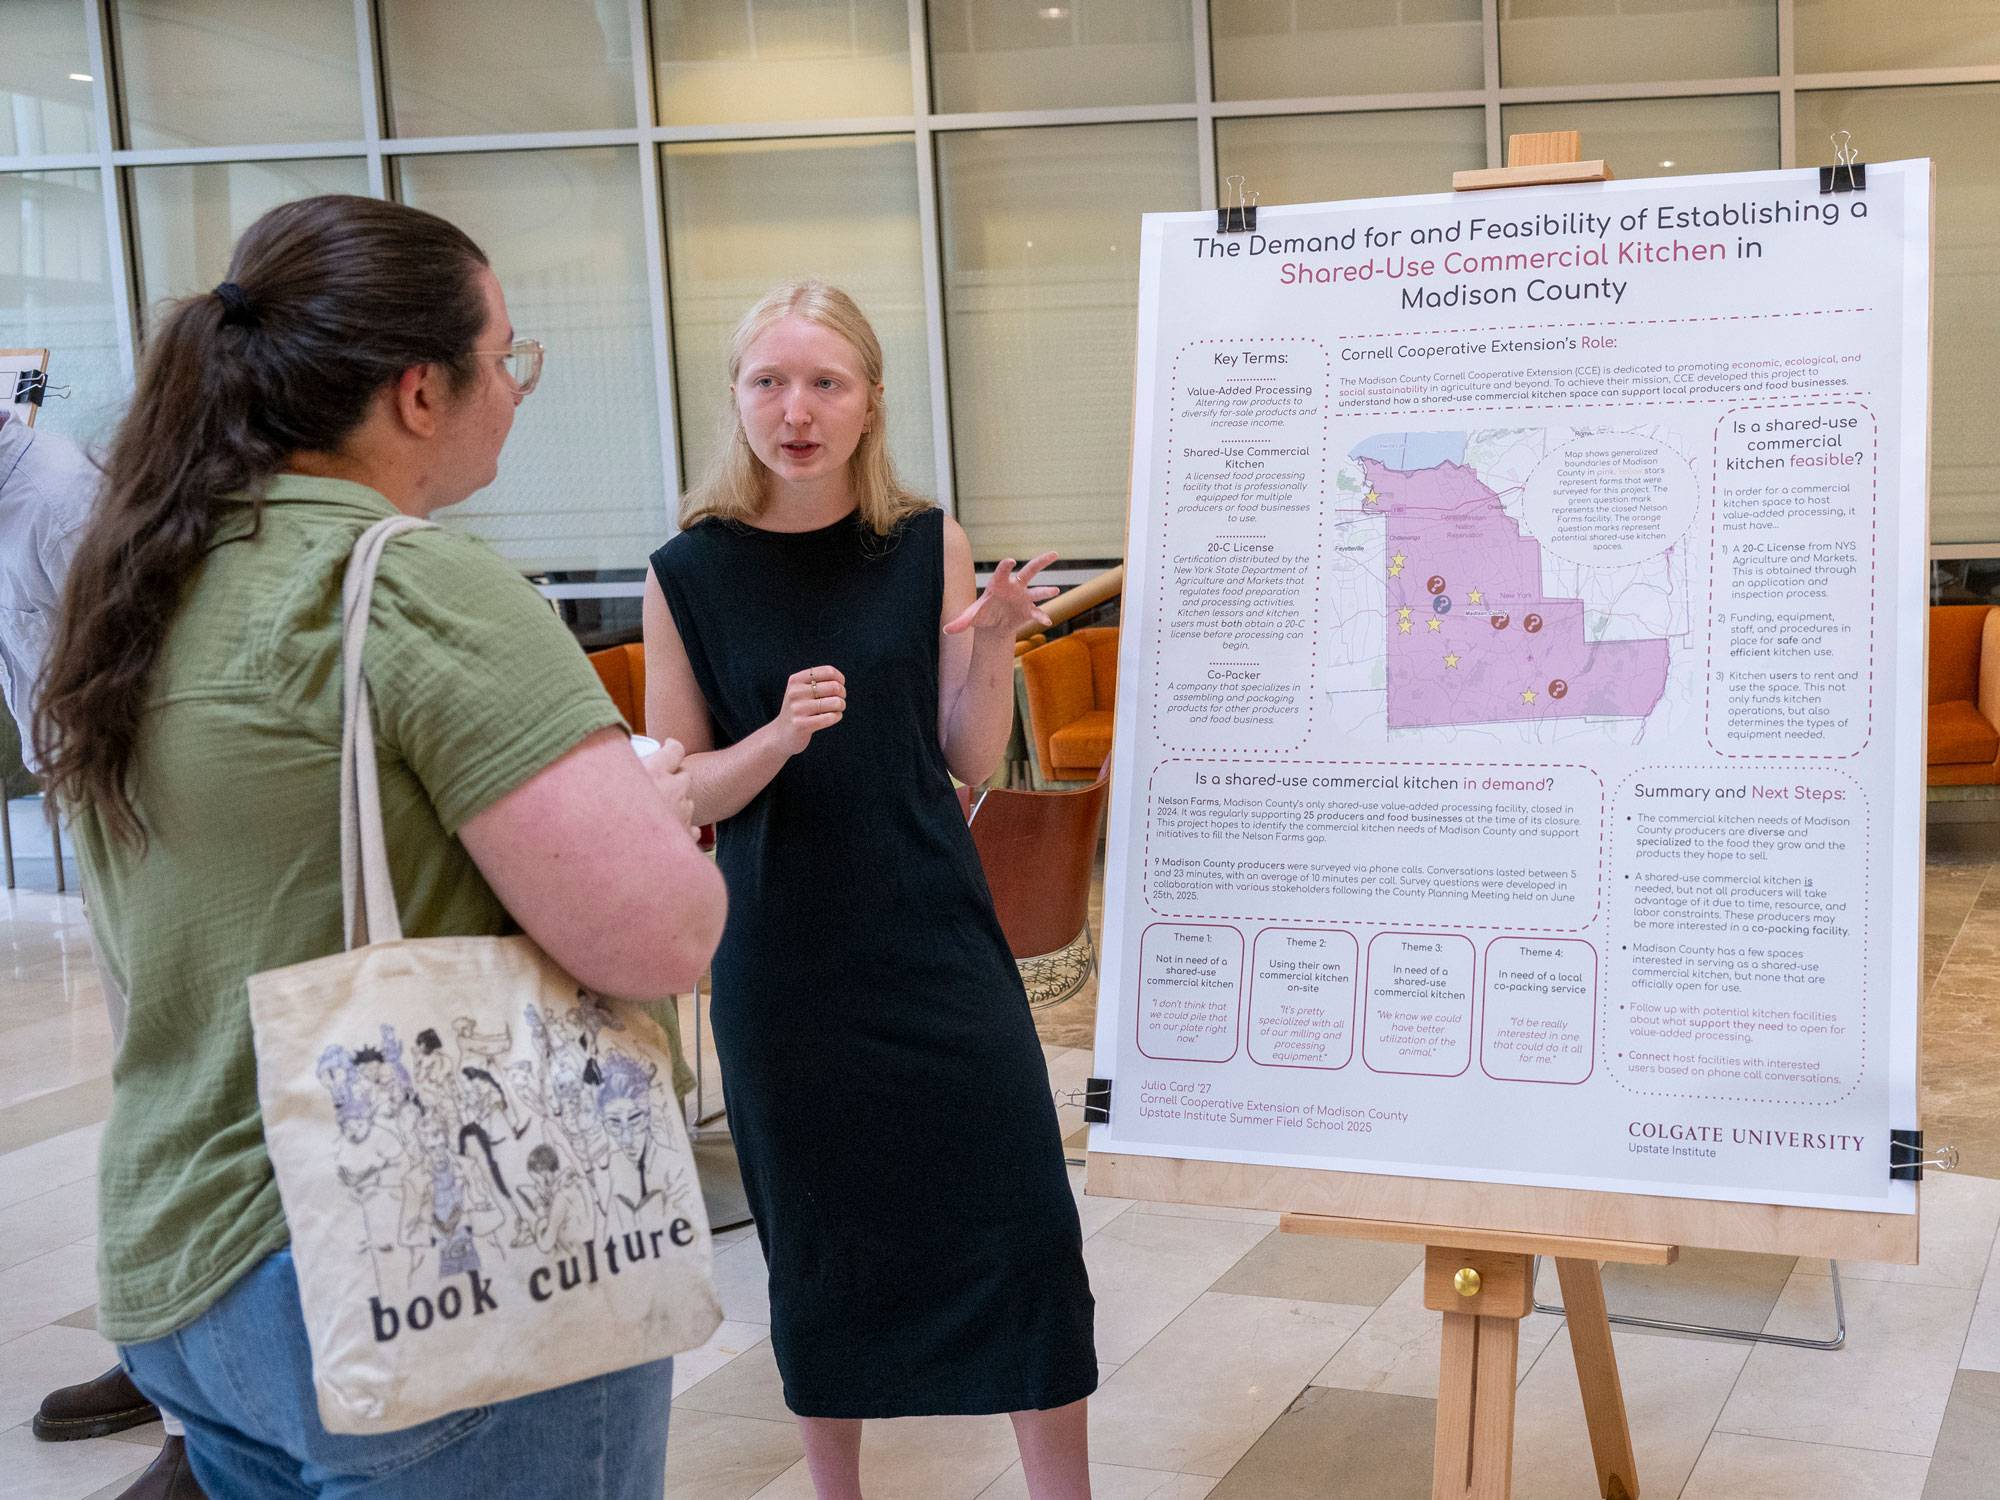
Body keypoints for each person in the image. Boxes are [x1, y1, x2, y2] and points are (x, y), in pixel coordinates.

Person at [33, 194, 728, 1499]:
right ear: (419, 391)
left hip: (192, 1264)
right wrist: (648, 811)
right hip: (419, 1266)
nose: (515, 392)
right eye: (507, 358)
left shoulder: (144, 580)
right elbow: (661, 936)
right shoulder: (409, 581)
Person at [644, 280, 1096, 1500]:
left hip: (933, 934)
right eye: (768, 382)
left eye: (823, 383)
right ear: (735, 397)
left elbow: (963, 755)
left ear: (869, 403)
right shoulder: (686, 571)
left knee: (1022, 1222)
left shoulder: (925, 544)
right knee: (821, 1242)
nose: (794, 410)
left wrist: (993, 638)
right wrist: (775, 740)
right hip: (783, 956)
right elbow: (676, 793)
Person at [4, 407, 206, 1499]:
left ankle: (202, 1419)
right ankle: (161, 1357)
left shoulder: (57, 496)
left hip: (150, 813)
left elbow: (152, 666)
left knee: (174, 1100)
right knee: (146, 1100)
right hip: (93, 801)